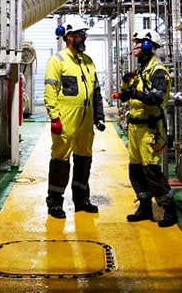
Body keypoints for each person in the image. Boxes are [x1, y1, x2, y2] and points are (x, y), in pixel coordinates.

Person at [43, 15, 106, 219]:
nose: (84, 38)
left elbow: (96, 92)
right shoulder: (58, 61)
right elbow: (50, 90)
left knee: (84, 160)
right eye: (81, 34)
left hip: (85, 123)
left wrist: (99, 116)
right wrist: (54, 117)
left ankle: (81, 200)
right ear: (69, 37)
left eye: (84, 34)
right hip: (65, 121)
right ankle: (55, 203)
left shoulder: (88, 62)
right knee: (60, 161)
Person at [115, 29, 177, 227]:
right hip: (135, 128)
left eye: (139, 43)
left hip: (150, 128)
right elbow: (126, 95)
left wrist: (135, 93)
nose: (135, 47)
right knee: (136, 170)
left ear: (149, 46)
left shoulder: (157, 70)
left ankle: (169, 209)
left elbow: (157, 98)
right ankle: (144, 207)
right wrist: (125, 84)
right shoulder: (142, 70)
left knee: (151, 170)